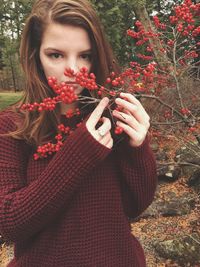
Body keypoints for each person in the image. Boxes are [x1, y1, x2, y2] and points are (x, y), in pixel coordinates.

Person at [0, 0, 157, 266]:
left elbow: (135, 206)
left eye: (85, 55)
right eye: (56, 55)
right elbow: (9, 224)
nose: (73, 71)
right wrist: (79, 153)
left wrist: (138, 147)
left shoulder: (113, 116)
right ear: (35, 55)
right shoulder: (13, 125)